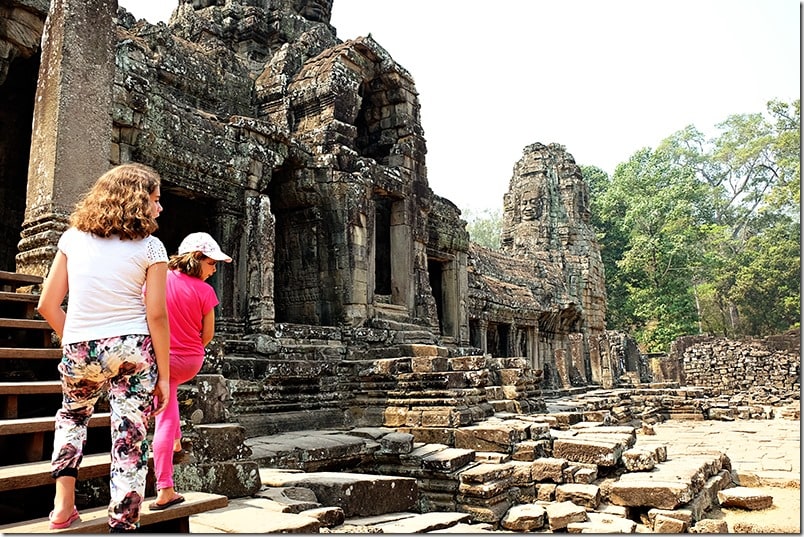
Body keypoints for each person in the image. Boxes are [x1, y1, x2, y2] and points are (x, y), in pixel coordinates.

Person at [36, 163, 171, 532]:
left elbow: (47, 304)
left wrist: (77, 341)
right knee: (129, 434)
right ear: (138, 200)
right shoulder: (152, 247)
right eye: (156, 200)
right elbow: (157, 315)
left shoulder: (72, 238)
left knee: (72, 417)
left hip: (81, 346)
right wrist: (164, 375)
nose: (160, 209)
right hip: (132, 348)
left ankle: (62, 507)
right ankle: (122, 522)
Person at [150, 232, 231, 510]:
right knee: (168, 410)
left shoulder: (159, 278)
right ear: (197, 258)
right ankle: (171, 459)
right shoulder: (206, 292)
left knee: (165, 414)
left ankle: (165, 485)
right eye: (212, 263)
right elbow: (207, 335)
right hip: (190, 360)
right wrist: (189, 345)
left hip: (160, 358)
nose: (214, 270)